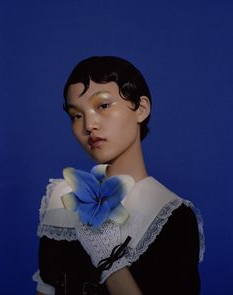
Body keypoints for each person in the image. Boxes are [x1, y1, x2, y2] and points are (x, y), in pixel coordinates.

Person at [33, 56, 205, 295]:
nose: (89, 125)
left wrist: (110, 259)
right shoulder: (61, 199)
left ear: (141, 109)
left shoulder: (171, 215)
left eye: (103, 106)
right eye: (76, 115)